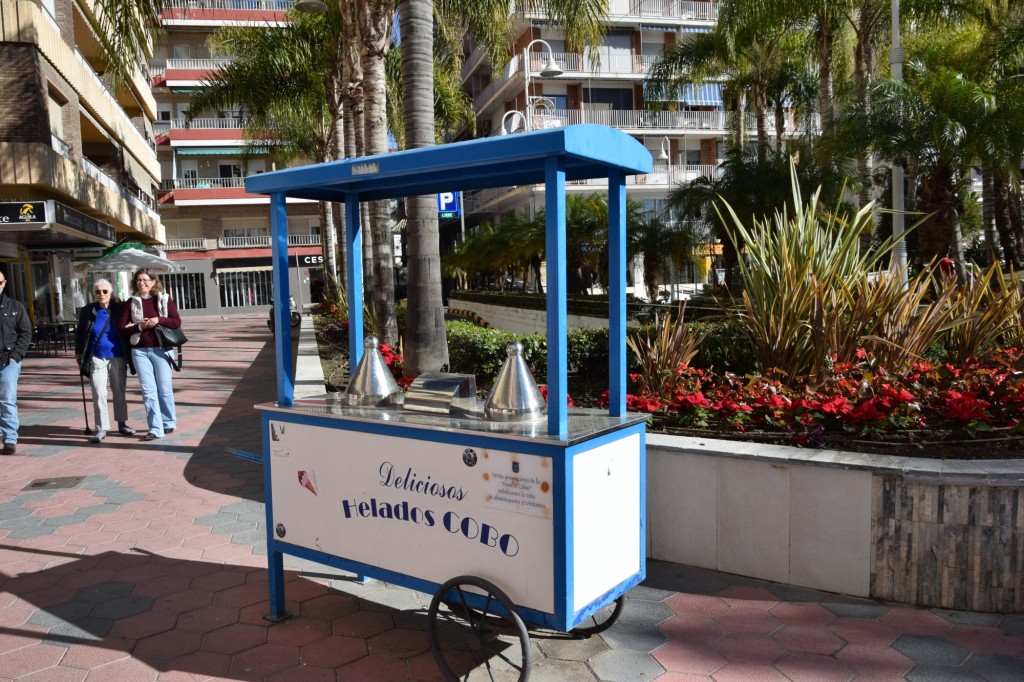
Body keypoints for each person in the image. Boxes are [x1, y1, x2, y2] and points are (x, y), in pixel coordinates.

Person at [119, 268, 182, 441]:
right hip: (139, 351)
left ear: (153, 282)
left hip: (162, 349)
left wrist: (158, 320)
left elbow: (176, 322)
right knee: (148, 391)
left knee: (164, 389)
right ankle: (155, 428)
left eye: (146, 280)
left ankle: (168, 421)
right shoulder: (130, 302)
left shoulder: (163, 299)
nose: (142, 283)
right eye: (139, 280)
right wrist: (140, 326)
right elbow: (121, 329)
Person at [75, 279, 135, 443]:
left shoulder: (119, 309)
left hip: (117, 355)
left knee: (119, 391)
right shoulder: (88, 310)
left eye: (104, 291)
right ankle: (101, 428)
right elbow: (81, 333)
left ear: (110, 292)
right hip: (96, 357)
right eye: (98, 292)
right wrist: (79, 352)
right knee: (98, 392)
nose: (101, 294)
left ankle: (122, 423)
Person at [0, 271, 31, 455]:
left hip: (8, 361)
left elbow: (26, 333)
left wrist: (16, 356)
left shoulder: (15, 307)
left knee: (7, 400)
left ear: (4, 284)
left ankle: (10, 438)